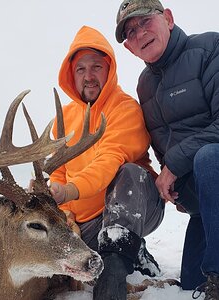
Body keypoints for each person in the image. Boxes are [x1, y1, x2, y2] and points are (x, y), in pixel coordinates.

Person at [48, 25, 165, 300]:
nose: (89, 76)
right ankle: (132, 252)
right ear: (71, 75)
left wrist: (69, 191)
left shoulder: (124, 108)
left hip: (139, 206)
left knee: (130, 173)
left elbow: (109, 160)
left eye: (96, 67)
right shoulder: (63, 119)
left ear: (109, 69)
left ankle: (112, 278)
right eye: (80, 69)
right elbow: (58, 171)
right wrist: (63, 210)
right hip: (86, 225)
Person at [115, 0, 219, 299]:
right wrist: (177, 189)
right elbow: (162, 141)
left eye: (145, 21)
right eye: (130, 32)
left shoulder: (210, 47)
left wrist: (172, 166)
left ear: (168, 19)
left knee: (209, 156)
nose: (139, 33)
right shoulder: (144, 85)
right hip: (204, 203)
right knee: (189, 284)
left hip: (214, 166)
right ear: (129, 48)